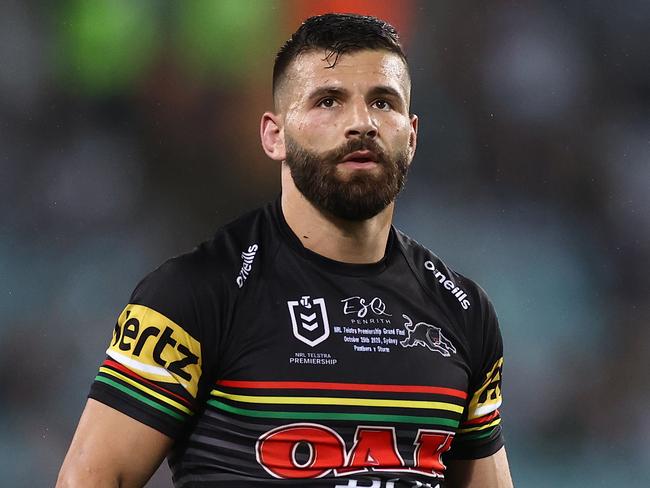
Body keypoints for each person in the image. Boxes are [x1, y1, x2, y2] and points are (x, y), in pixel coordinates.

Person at [57, 13, 513, 488]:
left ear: (412, 135)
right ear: (275, 135)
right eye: (328, 101)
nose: (362, 123)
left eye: (382, 102)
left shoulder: (463, 312)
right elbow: (89, 479)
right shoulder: (193, 295)